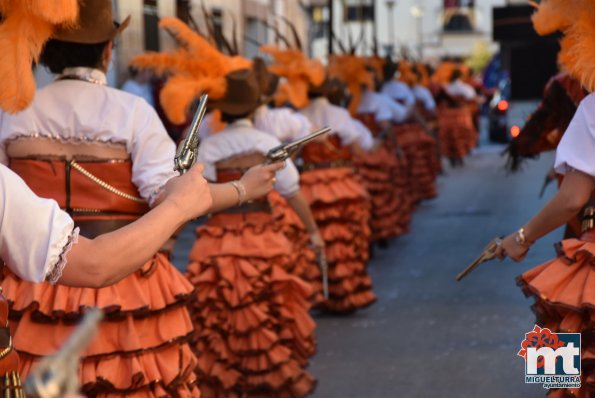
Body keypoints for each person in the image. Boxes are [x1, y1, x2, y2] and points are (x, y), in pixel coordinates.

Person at [0, 2, 280, 396]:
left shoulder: (13, 113)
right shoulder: (131, 112)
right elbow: (172, 194)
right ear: (108, 51)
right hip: (122, 280)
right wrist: (242, 190)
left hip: (34, 286)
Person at [185, 67, 321, 398]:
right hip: (264, 237)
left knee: (222, 312)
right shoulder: (267, 143)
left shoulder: (210, 145)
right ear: (253, 106)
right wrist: (314, 232)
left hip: (219, 238)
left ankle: (230, 383)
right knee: (269, 308)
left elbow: (195, 196)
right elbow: (292, 191)